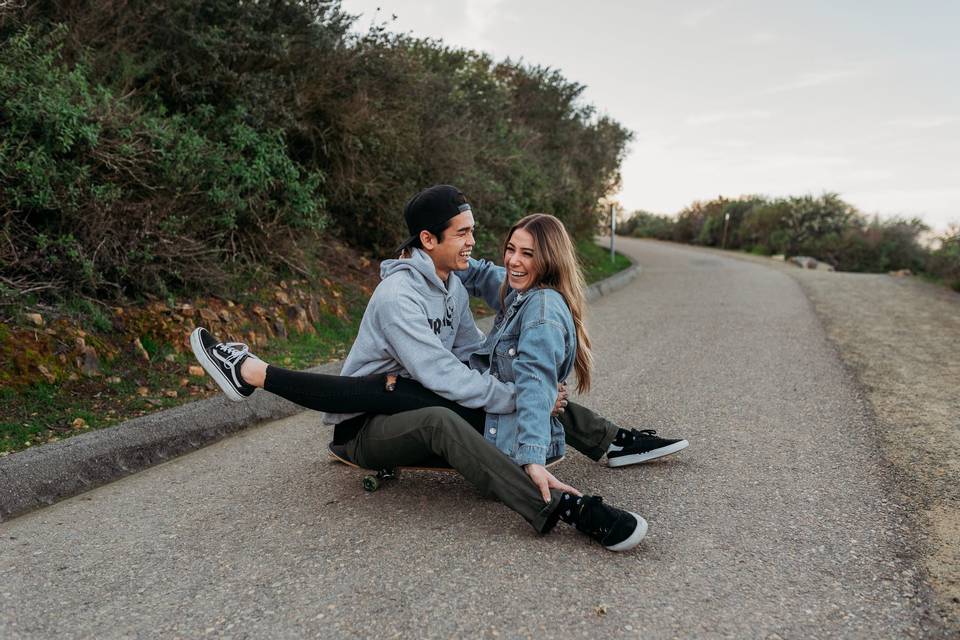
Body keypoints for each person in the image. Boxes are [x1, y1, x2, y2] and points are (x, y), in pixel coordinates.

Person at [191, 186, 655, 550]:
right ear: (429, 240)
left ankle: (609, 441)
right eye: (462, 233)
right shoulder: (398, 297)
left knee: (521, 388)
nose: (473, 241)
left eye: (473, 230)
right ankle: (563, 507)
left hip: (411, 393)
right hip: (367, 427)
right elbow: (442, 376)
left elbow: (472, 360)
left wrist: (530, 395)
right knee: (443, 418)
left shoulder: (452, 288)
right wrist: (516, 400)